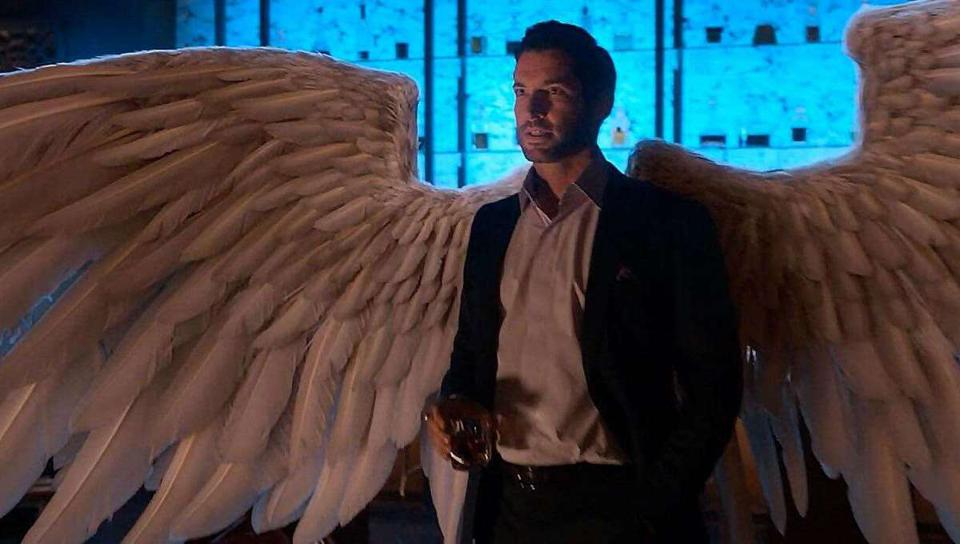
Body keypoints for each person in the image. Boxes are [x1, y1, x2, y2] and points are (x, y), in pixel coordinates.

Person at [426, 20, 742, 544]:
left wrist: (655, 503)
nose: (531, 110)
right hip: (509, 509)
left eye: (553, 92)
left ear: (601, 103)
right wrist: (456, 401)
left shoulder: (666, 223)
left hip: (621, 508)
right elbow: (472, 352)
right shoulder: (492, 226)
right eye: (521, 92)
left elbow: (715, 385)